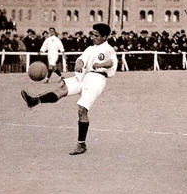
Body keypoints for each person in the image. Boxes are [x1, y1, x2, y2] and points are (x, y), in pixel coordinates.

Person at [21, 23, 117, 155]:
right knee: (63, 88)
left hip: (97, 79)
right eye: (92, 34)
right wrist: (79, 64)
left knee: (82, 109)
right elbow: (82, 59)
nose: (92, 37)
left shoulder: (109, 49)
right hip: (84, 76)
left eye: (96, 35)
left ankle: (81, 144)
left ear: (105, 37)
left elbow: (111, 62)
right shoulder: (90, 48)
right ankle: (35, 101)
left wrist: (101, 64)